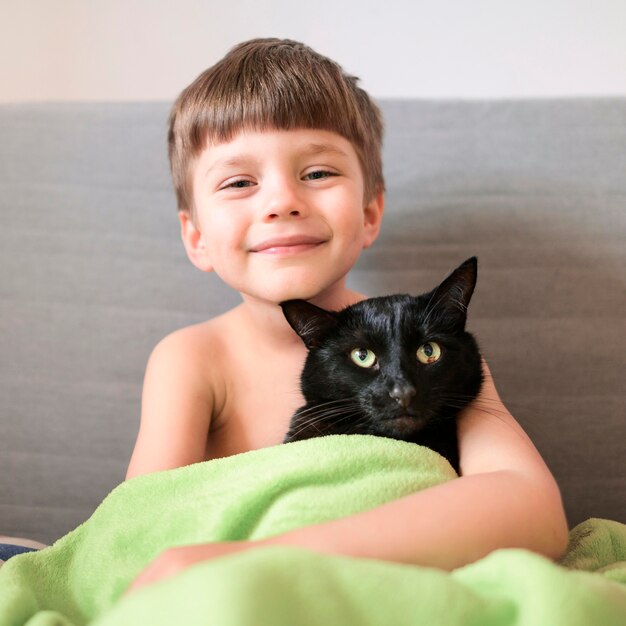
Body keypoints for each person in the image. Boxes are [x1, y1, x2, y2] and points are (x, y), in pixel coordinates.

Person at [125, 38, 568, 593]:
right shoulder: (192, 360)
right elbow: (138, 531)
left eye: (316, 174)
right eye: (240, 182)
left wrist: (278, 558)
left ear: (368, 213)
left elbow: (535, 511)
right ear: (196, 238)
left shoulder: (430, 347)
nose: (282, 201)